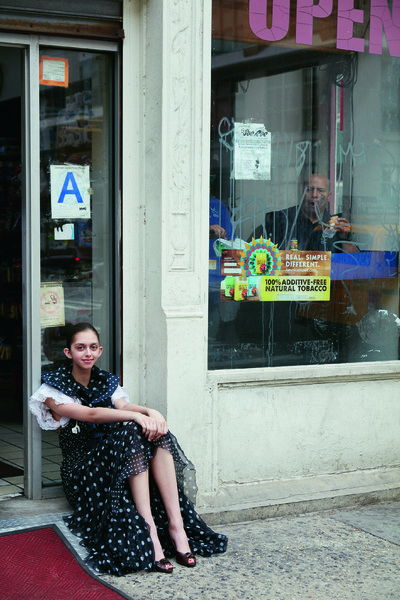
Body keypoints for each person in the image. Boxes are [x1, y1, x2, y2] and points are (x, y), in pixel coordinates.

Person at [29, 323, 227, 576]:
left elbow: (124, 406)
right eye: (80, 348)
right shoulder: (52, 388)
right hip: (82, 470)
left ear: (100, 350)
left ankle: (177, 526)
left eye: (92, 347)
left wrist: (151, 413)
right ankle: (151, 533)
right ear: (68, 353)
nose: (87, 353)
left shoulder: (105, 380)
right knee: (133, 429)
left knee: (154, 431)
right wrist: (136, 417)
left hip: (114, 462)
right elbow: (90, 414)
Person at [253, 173, 358, 253]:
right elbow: (253, 252)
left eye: (320, 190)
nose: (314, 195)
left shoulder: (336, 226)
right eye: (309, 190)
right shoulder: (280, 219)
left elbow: (356, 265)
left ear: (329, 196)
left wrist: (345, 238)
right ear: (301, 192)